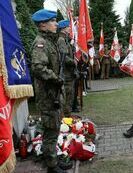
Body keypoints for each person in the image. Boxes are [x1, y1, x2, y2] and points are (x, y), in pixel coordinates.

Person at [31, 9, 67, 173]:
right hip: (47, 94)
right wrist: (55, 78)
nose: (56, 24)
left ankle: (53, 158)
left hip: (54, 92)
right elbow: (38, 68)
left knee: (54, 127)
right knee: (50, 130)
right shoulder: (41, 43)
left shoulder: (50, 41)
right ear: (43, 24)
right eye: (53, 21)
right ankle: (51, 166)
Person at [57, 19, 76, 117]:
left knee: (69, 97)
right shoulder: (61, 40)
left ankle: (67, 117)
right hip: (66, 74)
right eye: (68, 27)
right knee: (66, 98)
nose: (70, 28)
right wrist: (74, 62)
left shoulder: (65, 40)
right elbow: (63, 57)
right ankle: (65, 119)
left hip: (69, 73)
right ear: (63, 29)